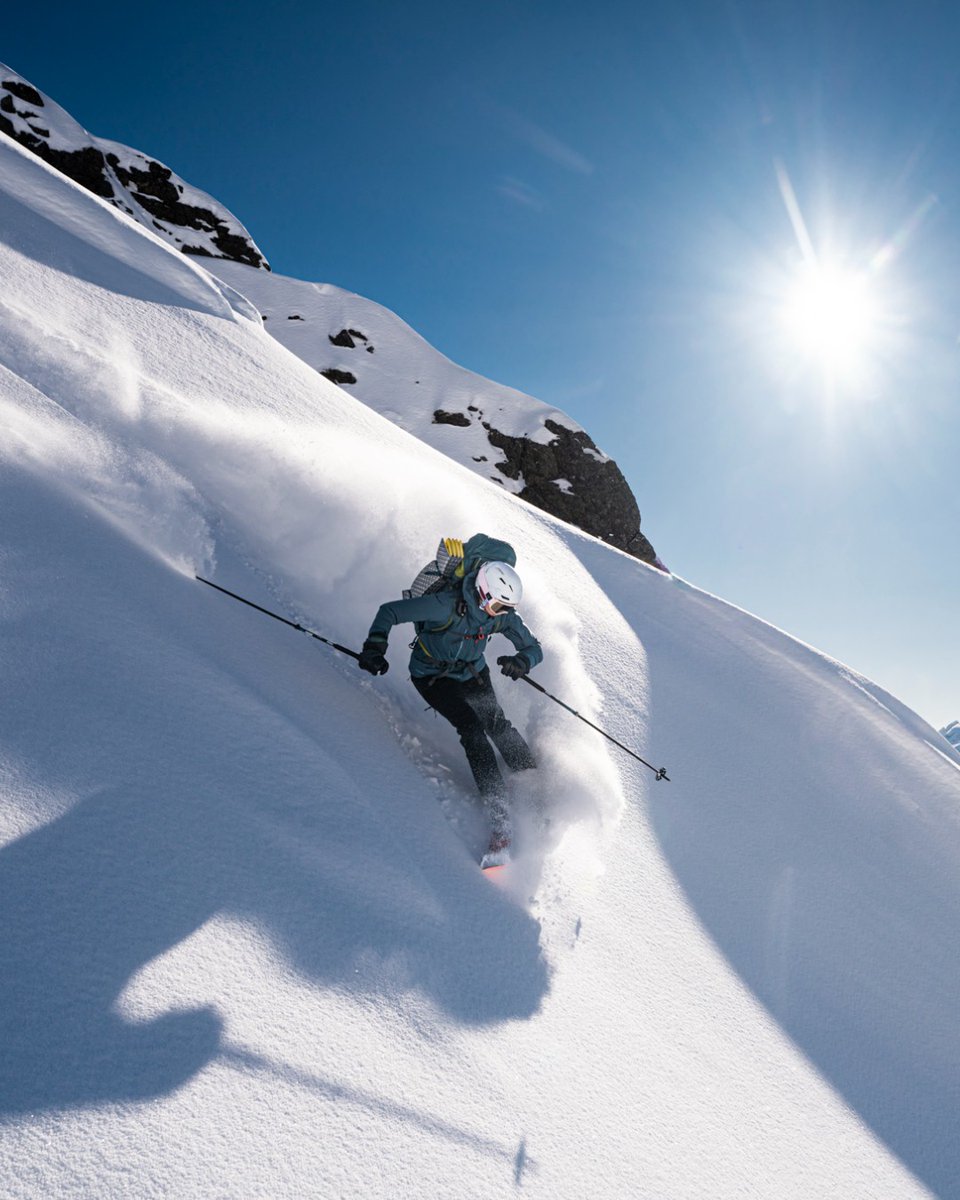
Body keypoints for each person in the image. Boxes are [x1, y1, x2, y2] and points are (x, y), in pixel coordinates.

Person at [358, 534, 542, 841]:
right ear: (483, 592)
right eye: (497, 604)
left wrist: (522, 661)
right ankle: (499, 814)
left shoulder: (500, 617)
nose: (501, 613)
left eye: (507, 607)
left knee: (496, 722)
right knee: (471, 729)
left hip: (472, 672)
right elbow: (390, 612)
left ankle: (532, 778)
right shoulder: (444, 605)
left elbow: (534, 647)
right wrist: (375, 646)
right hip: (432, 676)